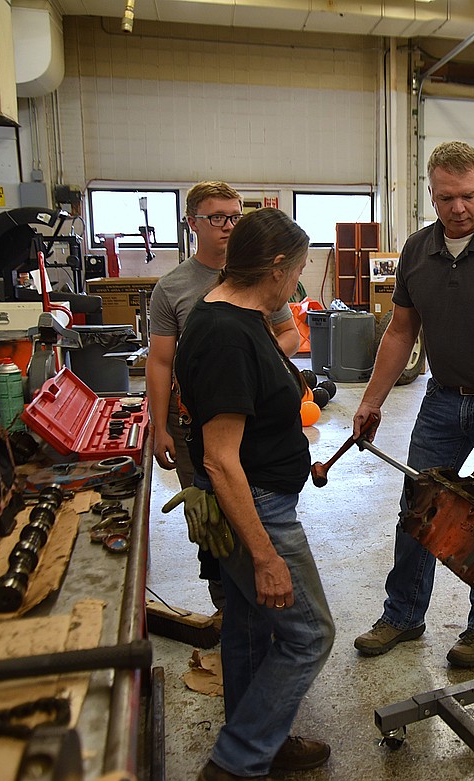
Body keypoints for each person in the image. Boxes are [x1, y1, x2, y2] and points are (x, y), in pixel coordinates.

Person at [351, 140, 474, 668]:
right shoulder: (418, 251)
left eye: (468, 196)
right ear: (431, 195)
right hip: (442, 400)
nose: (458, 208)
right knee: (419, 508)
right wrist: (371, 401)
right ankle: (402, 614)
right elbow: (400, 332)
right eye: (445, 198)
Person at [174, 208, 333, 781]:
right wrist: (265, 555)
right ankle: (238, 760)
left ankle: (263, 737)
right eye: (297, 271)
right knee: (311, 635)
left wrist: (290, 454)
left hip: (265, 490)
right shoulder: (225, 335)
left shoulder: (237, 319)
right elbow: (219, 457)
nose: (297, 281)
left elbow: (251, 422)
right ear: (274, 267)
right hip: (256, 510)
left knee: (247, 627)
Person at [148, 181, 301, 608]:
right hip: (194, 419)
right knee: (213, 523)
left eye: (236, 216)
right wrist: (158, 425)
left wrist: (256, 371)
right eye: (218, 217)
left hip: (252, 421)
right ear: (193, 223)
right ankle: (230, 608)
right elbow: (160, 361)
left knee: (252, 518)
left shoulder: (257, 277)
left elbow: (284, 334)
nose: (228, 226)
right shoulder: (174, 288)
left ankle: (248, 614)